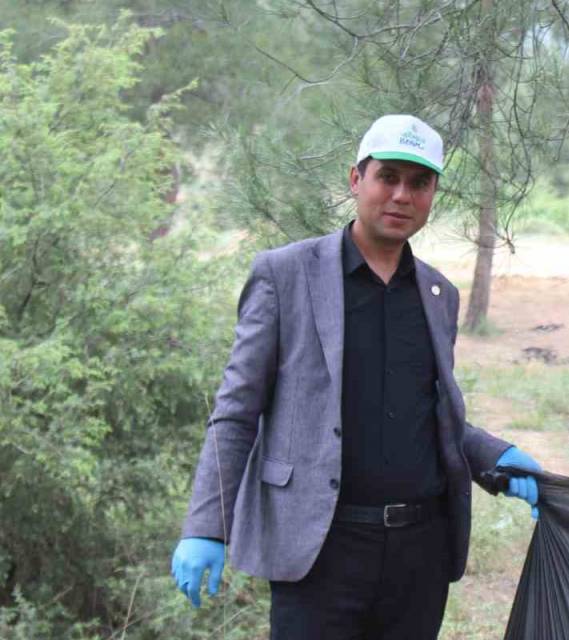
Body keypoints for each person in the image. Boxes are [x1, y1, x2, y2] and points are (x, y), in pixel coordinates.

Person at [169, 114, 543, 639]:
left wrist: (493, 457)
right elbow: (236, 411)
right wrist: (207, 526)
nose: (401, 195)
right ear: (355, 179)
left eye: (419, 183)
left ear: (433, 192)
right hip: (320, 548)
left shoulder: (438, 295)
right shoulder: (285, 275)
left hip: (420, 555)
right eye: (387, 177)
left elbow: (423, 416)